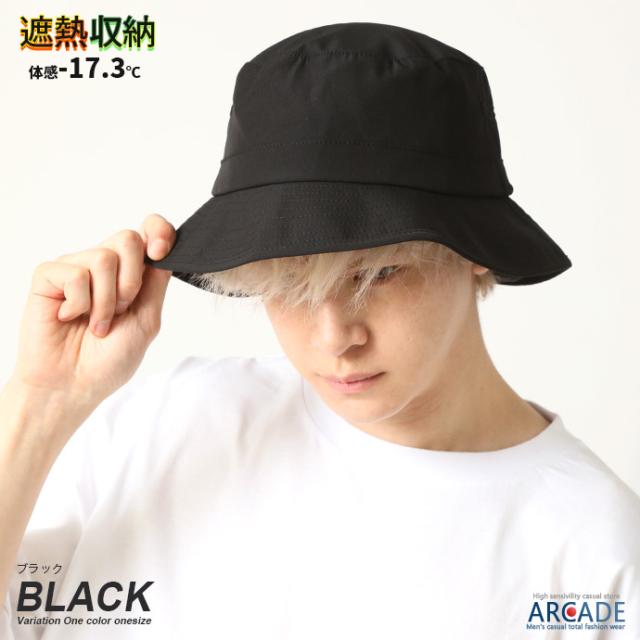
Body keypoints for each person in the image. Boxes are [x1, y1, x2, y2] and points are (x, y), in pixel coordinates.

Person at [1, 21, 639, 640]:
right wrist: (41, 404)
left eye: (378, 274)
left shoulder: (597, 558)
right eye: (287, 281)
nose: (334, 337)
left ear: (477, 247)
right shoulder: (161, 426)